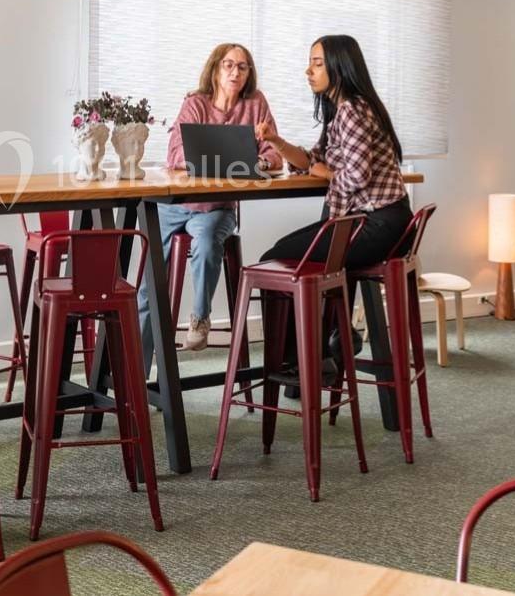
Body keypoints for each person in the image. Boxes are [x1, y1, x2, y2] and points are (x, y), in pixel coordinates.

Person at [255, 34, 412, 375]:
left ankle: (301, 362)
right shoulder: (341, 110)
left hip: (378, 225)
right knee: (284, 254)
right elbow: (312, 159)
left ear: (339, 67)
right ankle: (328, 343)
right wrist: (275, 141)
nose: (308, 71)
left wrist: (321, 170)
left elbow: (355, 176)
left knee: (275, 258)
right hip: (373, 221)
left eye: (316, 63)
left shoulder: (353, 110)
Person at [139, 43, 282, 372]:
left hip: (216, 208)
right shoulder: (195, 104)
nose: (235, 72)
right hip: (174, 206)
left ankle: (200, 319)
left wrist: (257, 159)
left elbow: (275, 152)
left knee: (205, 243)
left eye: (242, 67)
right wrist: (223, 161)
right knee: (149, 289)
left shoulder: (256, 104)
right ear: (215, 69)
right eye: (229, 65)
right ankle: (138, 372)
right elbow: (175, 154)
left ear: (249, 73)